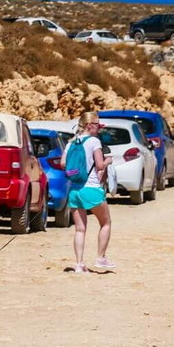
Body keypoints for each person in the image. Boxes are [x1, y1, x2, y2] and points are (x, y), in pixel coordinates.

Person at [65, 112, 114, 273]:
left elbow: (63, 163)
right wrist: (108, 161)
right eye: (97, 124)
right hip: (91, 187)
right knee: (106, 222)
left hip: (74, 189)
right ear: (89, 125)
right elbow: (99, 165)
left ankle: (79, 264)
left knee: (80, 228)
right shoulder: (94, 141)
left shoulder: (71, 142)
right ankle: (100, 258)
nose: (99, 127)